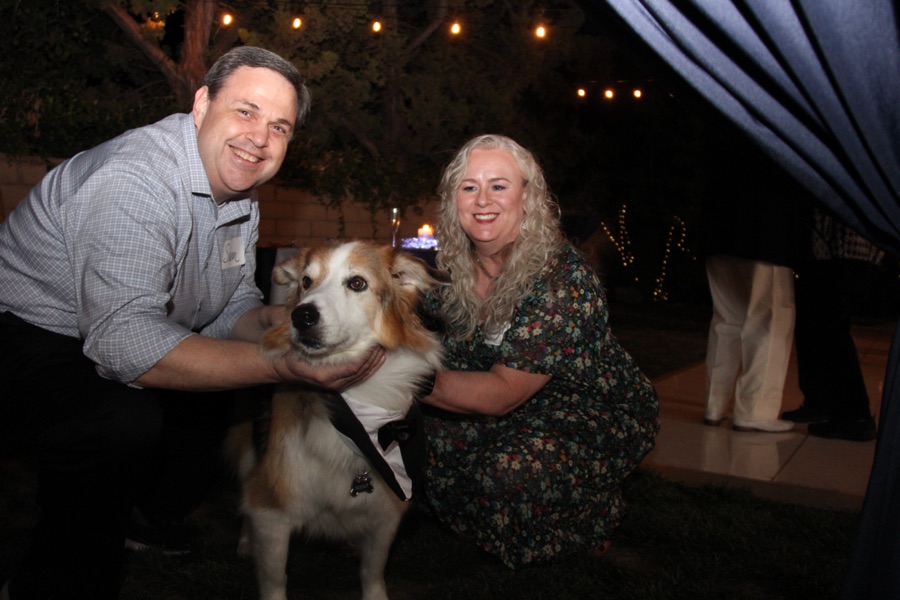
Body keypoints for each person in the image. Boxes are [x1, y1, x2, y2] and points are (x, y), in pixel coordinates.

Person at [0, 46, 383, 600]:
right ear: (202, 104)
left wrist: (288, 322)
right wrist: (282, 363)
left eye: (279, 126)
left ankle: (145, 518)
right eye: (245, 111)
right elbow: (125, 344)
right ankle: (47, 584)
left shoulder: (239, 194)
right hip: (25, 329)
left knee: (216, 395)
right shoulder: (135, 179)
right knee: (118, 418)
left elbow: (230, 310)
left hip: (117, 329)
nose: (260, 137)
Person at [417, 134, 659, 568]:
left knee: (505, 477)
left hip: (588, 409)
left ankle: (591, 512)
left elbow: (502, 392)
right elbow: (406, 304)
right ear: (453, 200)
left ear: (528, 197)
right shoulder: (453, 268)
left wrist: (402, 374)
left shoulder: (563, 280)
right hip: (513, 407)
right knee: (422, 452)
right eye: (469, 187)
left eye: (499, 185)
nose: (482, 199)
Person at [700, 134, 805, 433]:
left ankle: (714, 404)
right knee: (771, 316)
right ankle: (755, 409)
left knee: (726, 318)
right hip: (764, 228)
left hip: (719, 224)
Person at [781, 209, 884, 441]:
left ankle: (855, 415)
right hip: (834, 251)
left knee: (831, 329)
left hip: (841, 251)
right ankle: (823, 402)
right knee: (816, 325)